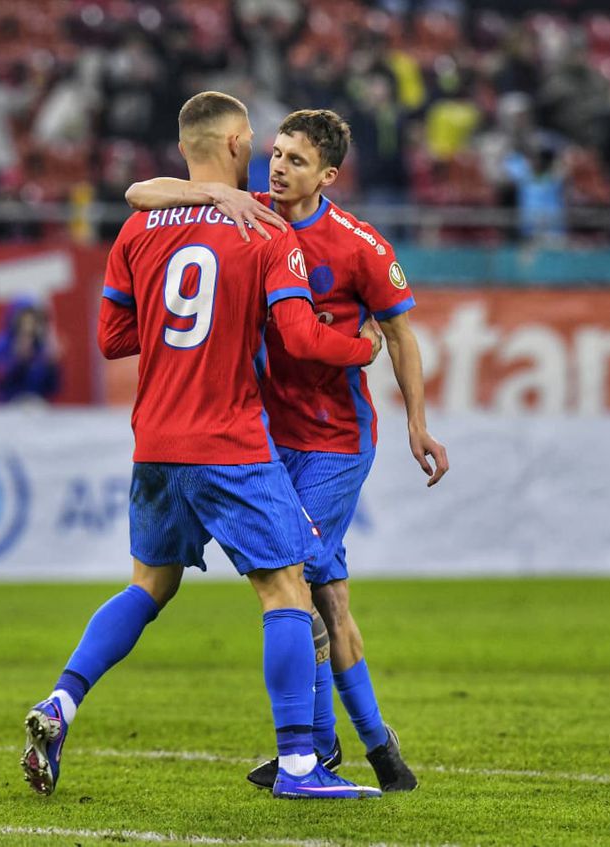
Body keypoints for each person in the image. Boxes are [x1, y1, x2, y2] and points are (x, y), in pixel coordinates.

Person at [21, 91, 385, 801]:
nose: (260, 154)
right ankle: (302, 765)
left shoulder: (139, 228)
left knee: (148, 585)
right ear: (232, 143)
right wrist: (362, 345)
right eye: (252, 140)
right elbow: (297, 336)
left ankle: (62, 702)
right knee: (285, 588)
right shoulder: (264, 231)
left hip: (154, 439)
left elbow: (112, 339)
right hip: (228, 439)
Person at [126, 108, 449, 793]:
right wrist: (212, 190)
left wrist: (419, 424)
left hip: (334, 442)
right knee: (320, 593)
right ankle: (363, 748)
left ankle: (336, 748)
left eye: (296, 161)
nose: (277, 168)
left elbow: (401, 335)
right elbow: (140, 194)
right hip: (265, 437)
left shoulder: (359, 244)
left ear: (327, 176)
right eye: (275, 153)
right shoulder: (251, 216)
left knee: (304, 584)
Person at [0, 298, 62, 404]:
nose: (29, 325)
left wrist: (52, 366)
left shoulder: (41, 348)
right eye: (24, 320)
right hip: (4, 409)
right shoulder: (0, 345)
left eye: (34, 320)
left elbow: (52, 389)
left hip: (35, 410)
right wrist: (17, 362)